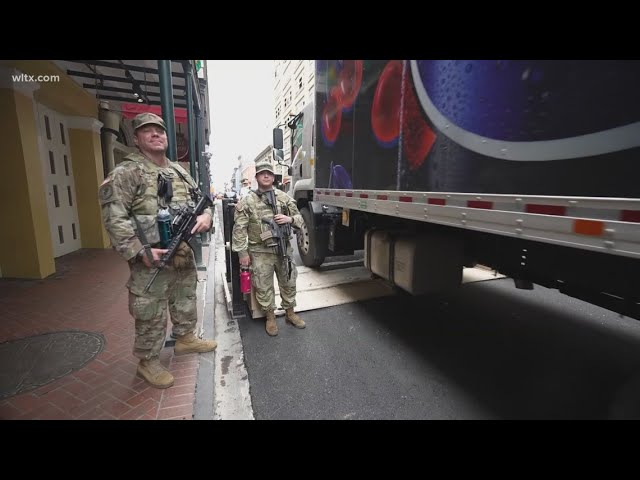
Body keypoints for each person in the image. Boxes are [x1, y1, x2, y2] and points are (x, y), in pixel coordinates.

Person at [98, 112, 216, 389]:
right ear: (137, 139)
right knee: (149, 309)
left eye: (160, 130)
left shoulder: (178, 171)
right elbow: (115, 217)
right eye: (147, 130)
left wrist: (207, 217)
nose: (155, 134)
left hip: (181, 251)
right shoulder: (126, 172)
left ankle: (185, 338)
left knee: (185, 296)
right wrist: (139, 251)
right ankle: (148, 361)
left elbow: (203, 201)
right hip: (150, 256)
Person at [232, 160, 306, 336]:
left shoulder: (283, 197)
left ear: (273, 177)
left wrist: (290, 220)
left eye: (270, 173)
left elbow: (300, 217)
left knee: (288, 281)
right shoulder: (248, 200)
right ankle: (270, 317)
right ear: (257, 177)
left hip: (283, 249)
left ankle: (290, 312)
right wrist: (243, 253)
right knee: (263, 286)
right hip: (259, 250)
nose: (266, 176)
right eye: (262, 173)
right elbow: (239, 228)